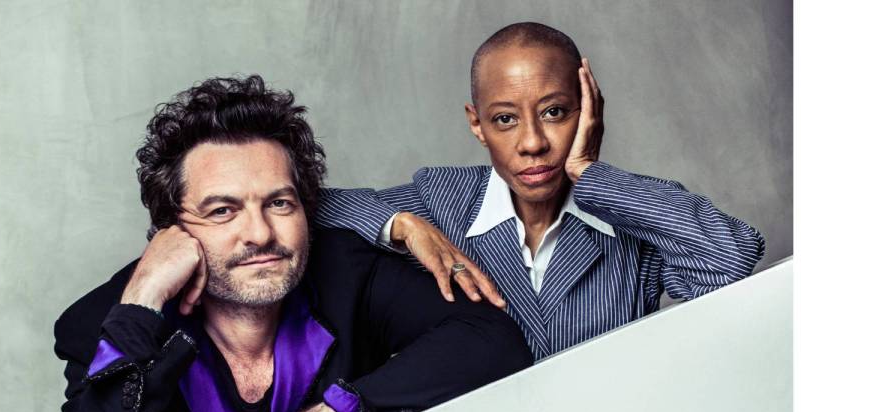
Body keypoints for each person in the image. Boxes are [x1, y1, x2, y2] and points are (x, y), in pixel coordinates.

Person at [53, 75, 532, 412]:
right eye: (222, 211)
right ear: (172, 232)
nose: (260, 234)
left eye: (279, 204)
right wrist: (141, 302)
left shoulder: (345, 271)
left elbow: (492, 339)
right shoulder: (105, 323)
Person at [315, 22, 766, 360]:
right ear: (477, 124)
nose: (532, 142)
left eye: (554, 112)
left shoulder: (631, 219)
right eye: (505, 119)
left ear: (587, 110)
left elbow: (729, 261)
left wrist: (589, 172)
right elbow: (304, 210)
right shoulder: (439, 199)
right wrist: (403, 225)